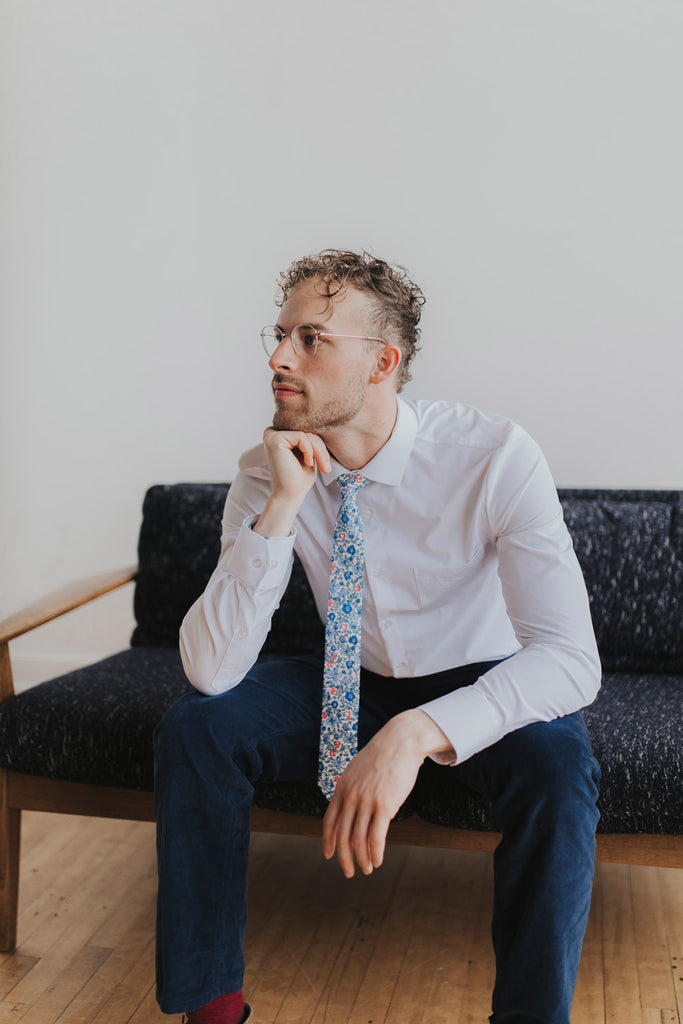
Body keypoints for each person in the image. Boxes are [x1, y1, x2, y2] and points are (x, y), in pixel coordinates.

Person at [154, 249, 601, 1024]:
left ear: (382, 363)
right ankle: (213, 1012)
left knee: (559, 772)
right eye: (279, 334)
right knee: (197, 728)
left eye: (311, 339)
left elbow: (568, 660)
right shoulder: (267, 470)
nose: (278, 357)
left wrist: (414, 733)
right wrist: (283, 506)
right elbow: (210, 669)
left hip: (479, 678)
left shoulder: (493, 457)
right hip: (345, 676)